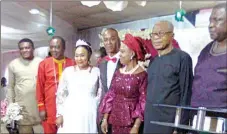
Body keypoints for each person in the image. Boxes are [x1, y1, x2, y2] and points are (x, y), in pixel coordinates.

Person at [143, 21, 193, 134]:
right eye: (153, 34)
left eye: (160, 33)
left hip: (169, 123)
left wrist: (179, 126)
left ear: (172, 36)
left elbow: (186, 94)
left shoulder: (183, 58)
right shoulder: (153, 61)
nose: (156, 38)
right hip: (150, 121)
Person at [99, 34, 148, 134]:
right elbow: (110, 95)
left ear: (132, 54)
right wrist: (105, 119)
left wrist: (136, 126)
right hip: (114, 120)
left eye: (122, 51)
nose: (119, 55)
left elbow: (143, 102)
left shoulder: (142, 75)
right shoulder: (118, 72)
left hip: (131, 123)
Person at [190, 3, 227, 128]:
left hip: (222, 122)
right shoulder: (206, 50)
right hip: (198, 118)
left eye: (217, 20)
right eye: (210, 20)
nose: (211, 25)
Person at [55, 39, 102, 133]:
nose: (79, 59)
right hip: (70, 111)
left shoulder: (96, 71)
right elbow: (61, 94)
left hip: (89, 112)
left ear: (89, 55)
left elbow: (100, 93)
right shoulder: (68, 71)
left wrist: (95, 107)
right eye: (76, 56)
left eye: (82, 55)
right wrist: (60, 114)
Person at [36, 36, 75, 134]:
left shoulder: (72, 63)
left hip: (68, 107)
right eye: (52, 47)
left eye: (57, 47)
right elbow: (39, 87)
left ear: (64, 48)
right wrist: (41, 107)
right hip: (50, 108)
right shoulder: (43, 64)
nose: (54, 50)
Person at [6, 38, 43, 133]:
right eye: (22, 48)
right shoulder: (13, 64)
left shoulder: (41, 62)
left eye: (27, 47)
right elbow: (10, 87)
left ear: (33, 48)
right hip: (22, 110)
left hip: (40, 109)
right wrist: (11, 106)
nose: (24, 50)